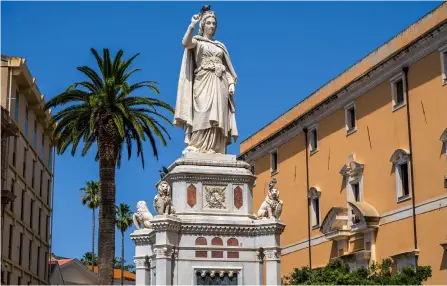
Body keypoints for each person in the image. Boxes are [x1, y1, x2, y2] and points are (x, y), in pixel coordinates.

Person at [174, 7, 238, 154]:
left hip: (220, 83)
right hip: (203, 81)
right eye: (208, 23)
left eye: (214, 23)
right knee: (202, 112)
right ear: (203, 25)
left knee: (218, 115)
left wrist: (231, 83)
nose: (212, 26)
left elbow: (228, 68)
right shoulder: (197, 41)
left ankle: (215, 147)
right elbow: (186, 43)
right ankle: (197, 144)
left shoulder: (220, 46)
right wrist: (192, 25)